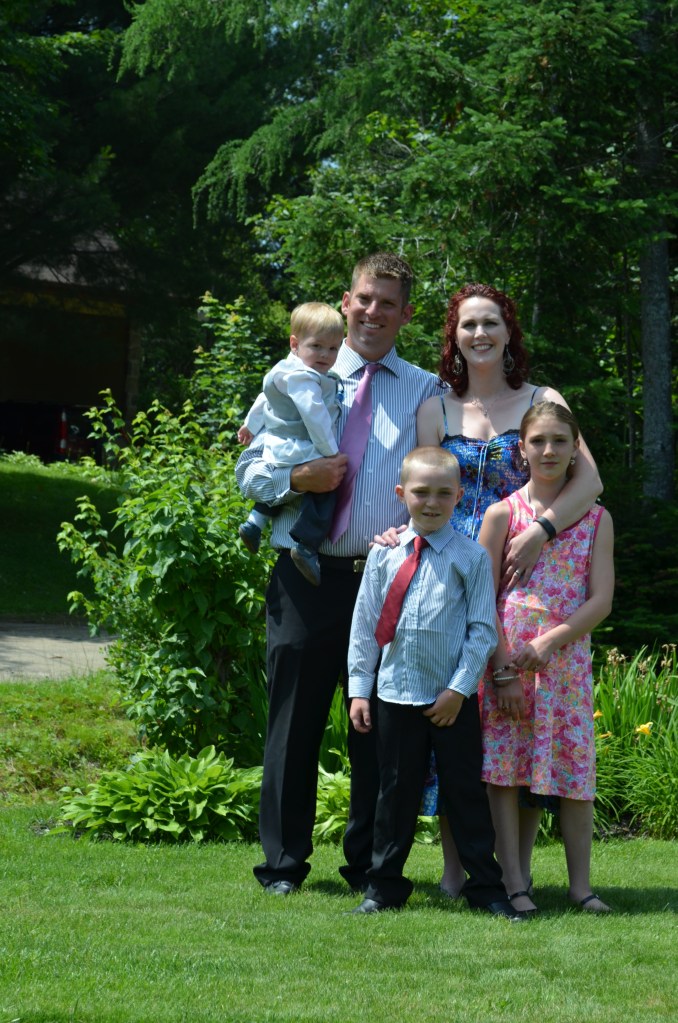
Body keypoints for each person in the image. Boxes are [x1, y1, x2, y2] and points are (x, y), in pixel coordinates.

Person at [235, 253, 444, 894]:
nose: (373, 312)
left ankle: (369, 868)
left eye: (388, 303)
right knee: (293, 722)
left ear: (406, 314)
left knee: (381, 729)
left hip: (386, 581)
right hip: (307, 576)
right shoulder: (299, 370)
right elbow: (247, 470)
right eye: (364, 299)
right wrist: (301, 477)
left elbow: (439, 479)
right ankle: (282, 866)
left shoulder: (425, 389)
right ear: (346, 301)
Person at [407, 282, 603, 897]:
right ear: (454, 337)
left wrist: (543, 530)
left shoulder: (543, 400)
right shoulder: (437, 409)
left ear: (508, 331)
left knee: (514, 731)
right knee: (457, 727)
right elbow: (422, 482)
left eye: (490, 322)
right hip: (449, 578)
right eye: (468, 325)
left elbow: (590, 481)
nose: (480, 334)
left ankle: (516, 874)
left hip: (519, 570)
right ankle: (456, 869)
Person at [347, 447, 522, 920]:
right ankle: (384, 887)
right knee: (394, 793)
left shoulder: (470, 558)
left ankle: (486, 888)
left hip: (451, 700)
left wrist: (459, 690)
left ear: (459, 496)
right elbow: (365, 625)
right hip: (394, 694)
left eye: (444, 493)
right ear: (401, 493)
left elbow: (482, 630)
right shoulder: (384, 555)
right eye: (421, 492)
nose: (431, 502)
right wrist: (360, 688)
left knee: (464, 793)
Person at [478, 401, 614, 914]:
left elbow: (601, 599)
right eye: (538, 441)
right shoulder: (502, 514)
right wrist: (504, 671)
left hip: (566, 664)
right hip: (508, 662)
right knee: (505, 771)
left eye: (560, 440)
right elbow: (482, 599)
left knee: (575, 774)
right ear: (522, 449)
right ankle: (515, 882)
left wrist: (553, 640)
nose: (549, 450)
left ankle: (582, 887)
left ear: (576, 448)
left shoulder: (596, 519)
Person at [237, 302, 344, 586]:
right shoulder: (304, 378)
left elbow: (264, 399)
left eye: (333, 348)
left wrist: (250, 425)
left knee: (285, 484)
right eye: (317, 346)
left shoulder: (284, 370)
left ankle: (255, 522)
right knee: (325, 489)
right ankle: (306, 545)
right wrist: (330, 454)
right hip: (302, 446)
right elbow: (315, 416)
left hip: (279, 446)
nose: (325, 355)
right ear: (295, 344)